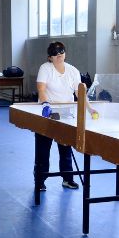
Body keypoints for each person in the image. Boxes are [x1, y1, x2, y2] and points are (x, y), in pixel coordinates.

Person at [34, 41, 97, 191]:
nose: (59, 55)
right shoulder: (45, 68)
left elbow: (80, 93)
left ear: (65, 53)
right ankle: (40, 180)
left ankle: (67, 179)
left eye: (61, 52)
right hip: (49, 112)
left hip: (66, 112)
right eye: (55, 53)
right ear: (50, 57)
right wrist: (45, 104)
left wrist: (90, 109)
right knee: (43, 148)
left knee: (65, 147)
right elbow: (41, 89)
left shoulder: (73, 71)